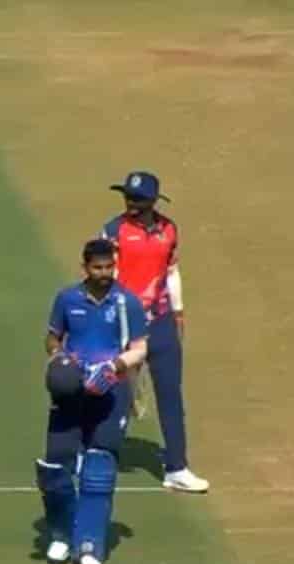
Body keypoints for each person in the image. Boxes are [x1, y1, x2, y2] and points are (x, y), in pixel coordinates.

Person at [38, 239, 148, 564]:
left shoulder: (127, 302)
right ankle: (61, 534)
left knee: (99, 468)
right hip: (71, 392)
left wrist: (114, 367)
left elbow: (140, 348)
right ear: (84, 267)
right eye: (97, 268)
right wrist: (62, 361)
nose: (104, 273)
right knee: (56, 465)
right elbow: (53, 339)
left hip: (110, 392)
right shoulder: (67, 298)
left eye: (109, 267)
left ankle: (90, 545)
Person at [100, 171, 208, 493]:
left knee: (170, 395)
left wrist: (178, 312)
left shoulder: (169, 230)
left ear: (152, 201)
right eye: (127, 197)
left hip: (161, 323)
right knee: (115, 394)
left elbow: (171, 272)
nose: (130, 203)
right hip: (125, 323)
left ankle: (177, 468)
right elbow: (103, 278)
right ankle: (100, 458)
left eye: (137, 198)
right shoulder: (113, 231)